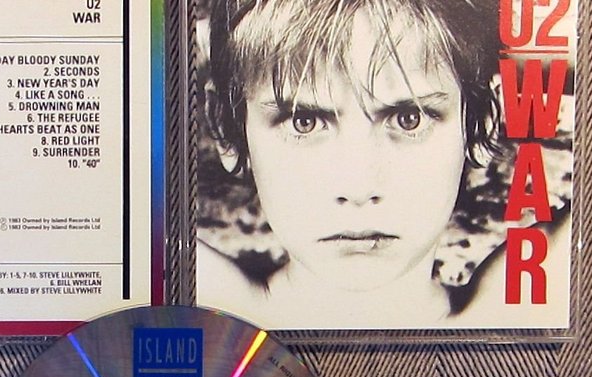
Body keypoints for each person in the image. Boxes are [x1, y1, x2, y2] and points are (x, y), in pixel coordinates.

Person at [196, 0, 572, 329]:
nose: (358, 188)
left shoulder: (517, 309)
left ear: (481, 124)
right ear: (226, 129)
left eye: (409, 119)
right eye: (304, 122)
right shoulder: (199, 301)